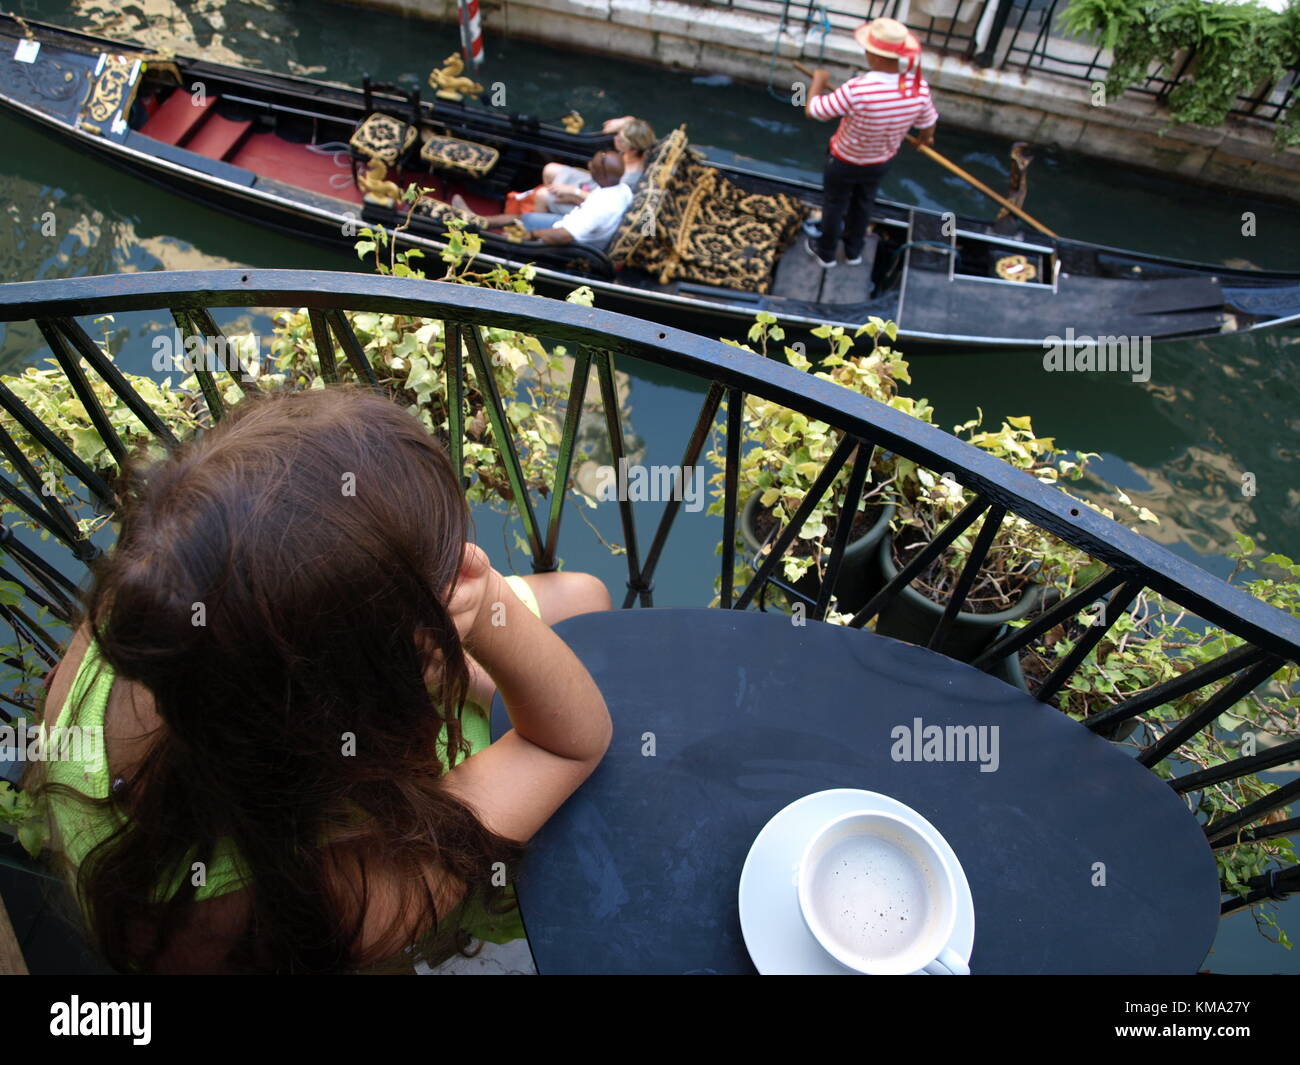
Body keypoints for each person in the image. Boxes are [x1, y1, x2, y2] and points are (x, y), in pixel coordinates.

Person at [27, 386, 613, 973]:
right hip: (401, 813)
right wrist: (486, 614)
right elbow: (570, 743)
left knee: (586, 596)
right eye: (449, 571)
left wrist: (446, 650)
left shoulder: (156, 607)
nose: (471, 560)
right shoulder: (319, 905)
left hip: (351, 708)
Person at [804, 18, 939, 269]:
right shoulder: (917, 89)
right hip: (879, 163)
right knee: (863, 204)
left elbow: (814, 111)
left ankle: (826, 255)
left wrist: (818, 82)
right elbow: (929, 122)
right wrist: (925, 139)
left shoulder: (857, 89)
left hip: (843, 161)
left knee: (834, 204)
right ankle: (854, 253)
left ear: (872, 54)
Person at [457, 149, 633, 248]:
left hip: (572, 243)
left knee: (523, 227)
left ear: (600, 174)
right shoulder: (622, 189)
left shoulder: (599, 208)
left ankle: (481, 235)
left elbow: (565, 236)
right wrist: (575, 197)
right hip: (572, 223)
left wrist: (532, 235)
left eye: (592, 166)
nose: (589, 166)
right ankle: (481, 221)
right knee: (524, 217)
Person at [534, 116, 657, 213]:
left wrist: (573, 192)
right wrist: (621, 122)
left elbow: (607, 203)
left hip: (595, 201)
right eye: (618, 133)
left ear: (634, 149)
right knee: (550, 169)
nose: (616, 138)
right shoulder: (638, 150)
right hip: (597, 183)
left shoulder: (629, 178)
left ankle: (546, 220)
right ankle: (552, 206)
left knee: (542, 195)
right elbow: (634, 123)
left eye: (621, 139)